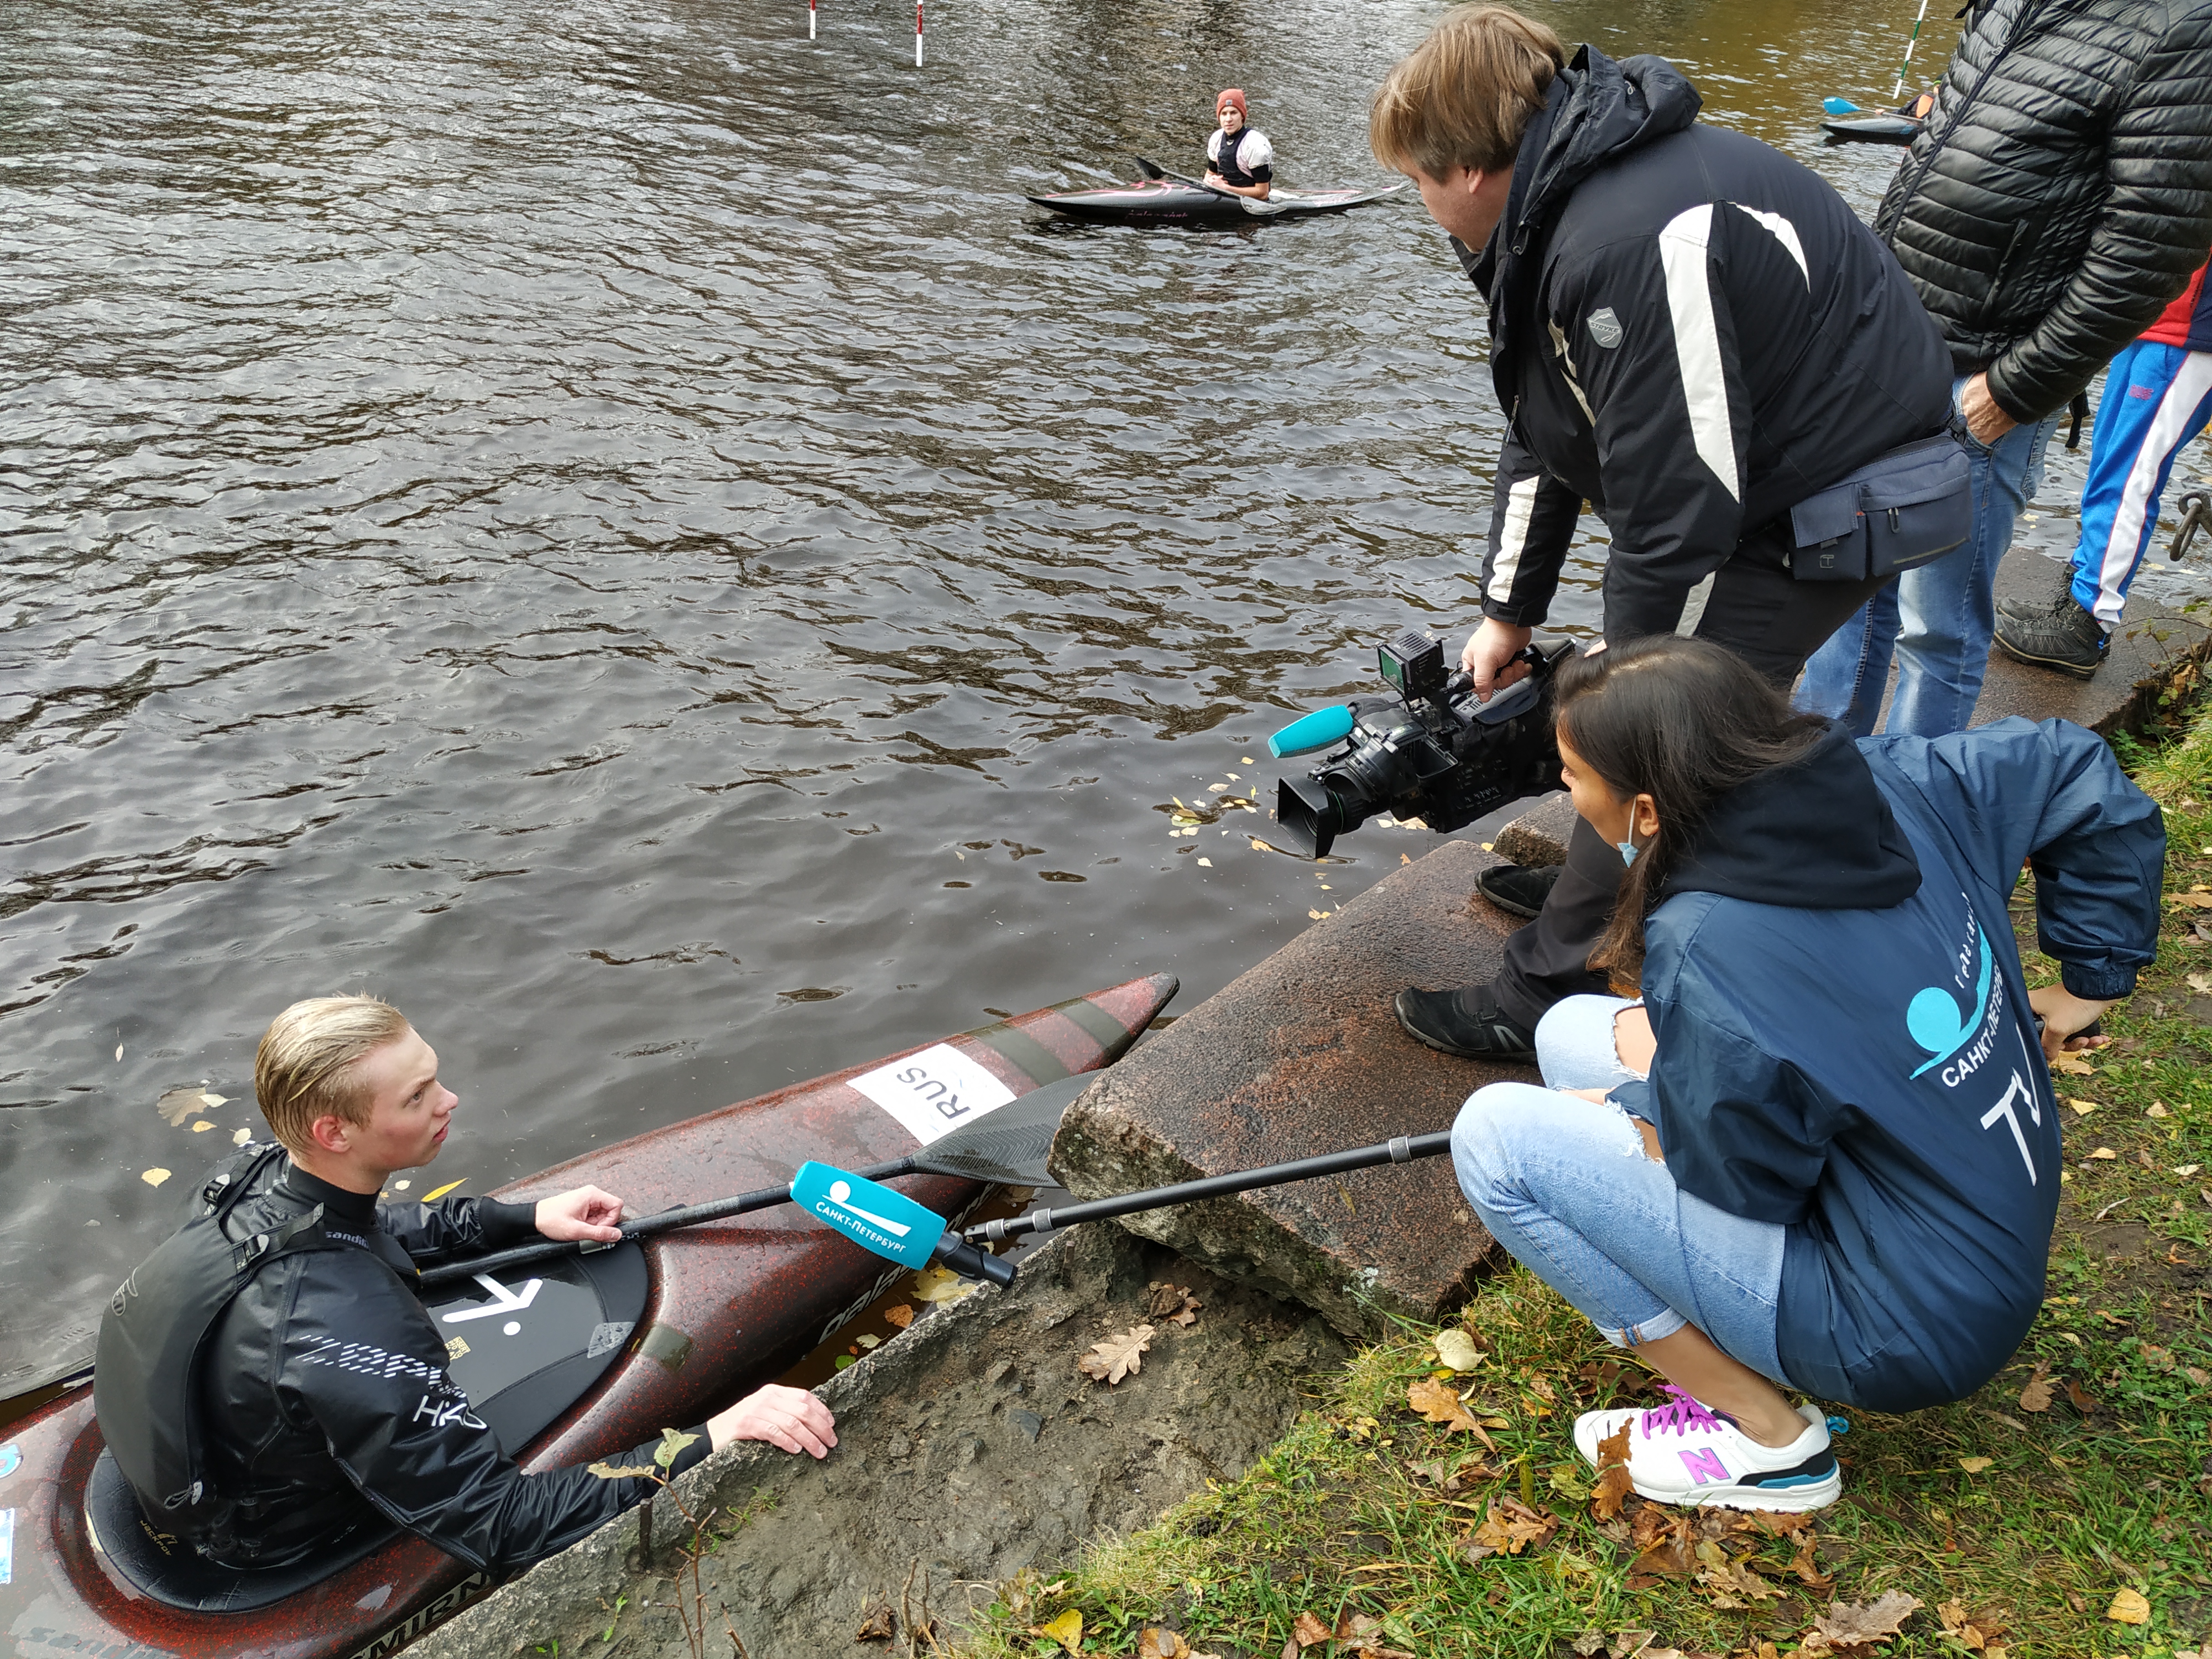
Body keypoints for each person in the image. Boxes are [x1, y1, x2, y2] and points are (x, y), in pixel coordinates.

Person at [1367, 5, 1954, 1062]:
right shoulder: (1561, 209)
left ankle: (1556, 982)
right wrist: (1509, 611)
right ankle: (1627, 878)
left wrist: (1612, 689)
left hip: (1854, 486)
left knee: (1666, 721)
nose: (1419, 203)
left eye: (1416, 178)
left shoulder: (1624, 238)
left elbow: (1678, 506)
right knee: (1637, 706)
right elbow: (1545, 430)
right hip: (1785, 473)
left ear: (1465, 166)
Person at [1452, 637, 2160, 1509]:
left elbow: (1750, 1182)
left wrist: (1646, 1108)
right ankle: (1746, 1340)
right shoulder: (1889, 777)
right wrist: (2090, 983)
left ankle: (1770, 1442)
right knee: (1570, 1030)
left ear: (1645, 811)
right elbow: (2070, 763)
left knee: (1495, 1141)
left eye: (1572, 774)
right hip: (1977, 1219)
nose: (1566, 789)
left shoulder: (1712, 945)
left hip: (1907, 1327)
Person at [97, 994, 836, 1575]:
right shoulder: (351, 1329)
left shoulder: (253, 1179)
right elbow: (502, 1522)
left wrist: (521, 1218)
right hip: (269, 1533)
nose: (450, 1100)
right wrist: (713, 1436)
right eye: (418, 1098)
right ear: (334, 1133)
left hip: (231, 1435)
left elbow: (373, 1227)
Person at [1798, 0, 2212, 732]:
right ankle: (1815, 789)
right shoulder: (2005, 5)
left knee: (1939, 628)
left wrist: (2013, 392)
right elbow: (1928, 160)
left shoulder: (2182, 26)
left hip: (1989, 376)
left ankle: (1908, 823)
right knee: (1844, 591)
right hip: (1891, 347)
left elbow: (2150, 249)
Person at [1994, 252, 2212, 677]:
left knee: (2132, 478)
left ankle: (2089, 622)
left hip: (2194, 334)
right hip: (2153, 317)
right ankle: (2078, 597)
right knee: (2108, 467)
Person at [1204, 89, 1272, 201]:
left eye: (1233, 113)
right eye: (1224, 114)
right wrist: (1209, 182)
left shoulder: (1255, 145)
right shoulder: (1216, 138)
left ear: (1242, 116)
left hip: (1251, 203)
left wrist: (1225, 188)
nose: (1228, 119)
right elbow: (1210, 173)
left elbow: (1262, 194)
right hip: (1223, 197)